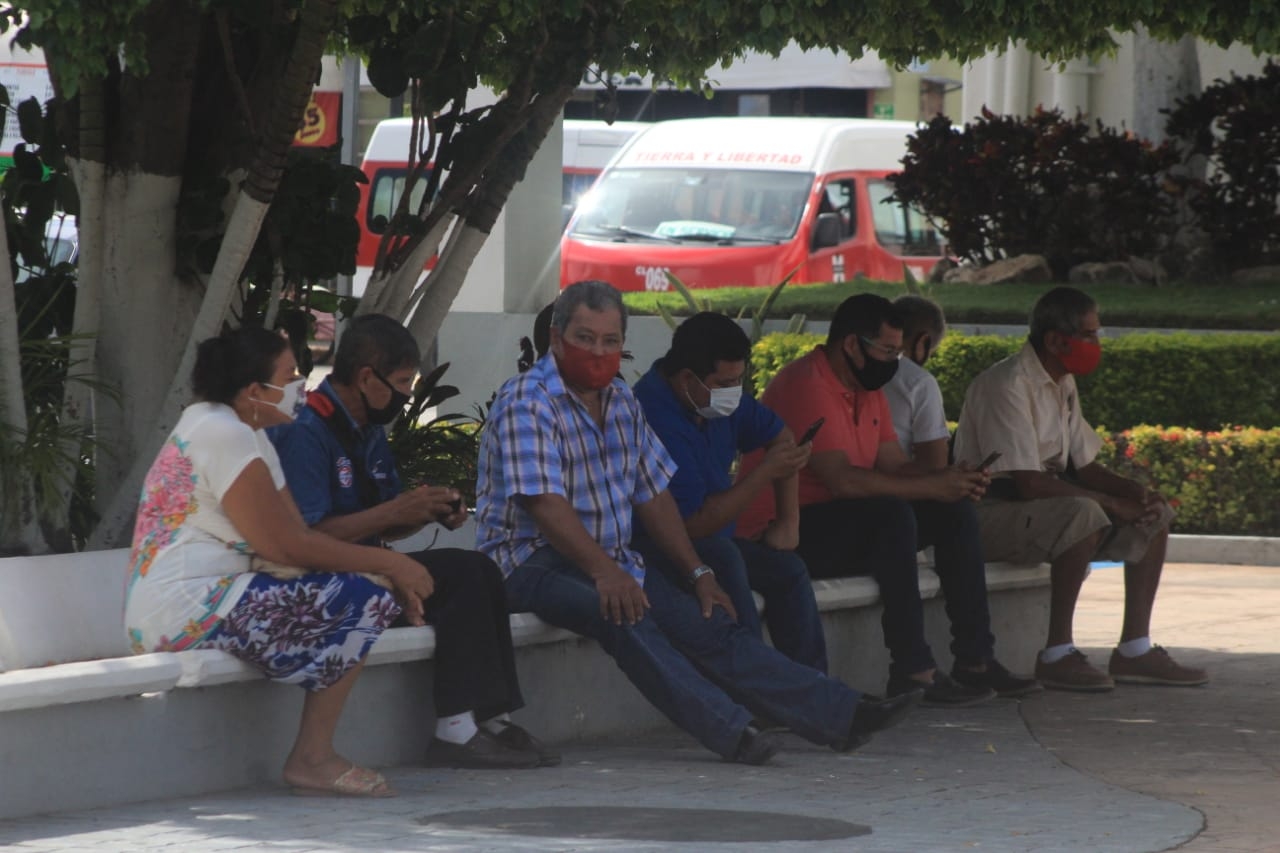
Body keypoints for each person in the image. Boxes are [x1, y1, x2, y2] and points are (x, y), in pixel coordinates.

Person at [476, 280, 916, 765]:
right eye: (584, 338)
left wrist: (696, 573)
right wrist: (606, 572)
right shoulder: (528, 400)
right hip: (529, 560)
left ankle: (843, 716)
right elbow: (545, 505)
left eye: (609, 340)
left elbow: (654, 495)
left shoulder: (619, 400)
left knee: (711, 622)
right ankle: (734, 732)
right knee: (625, 616)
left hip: (608, 559)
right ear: (557, 338)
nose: (598, 351)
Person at [126, 326, 435, 797]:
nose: (302, 386)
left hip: (207, 600)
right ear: (255, 391)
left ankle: (314, 754)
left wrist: (380, 568)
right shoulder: (223, 433)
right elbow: (286, 548)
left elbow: (298, 538)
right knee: (364, 598)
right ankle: (312, 758)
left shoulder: (242, 431)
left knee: (365, 584)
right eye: (290, 375)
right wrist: (392, 566)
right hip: (189, 608)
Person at [269, 314, 555, 769]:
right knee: (461, 578)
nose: (408, 394)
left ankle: (492, 719)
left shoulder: (368, 432)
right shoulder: (308, 433)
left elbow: (380, 525)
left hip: (370, 569)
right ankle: (455, 732)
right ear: (367, 378)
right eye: (402, 382)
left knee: (477, 568)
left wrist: (423, 512)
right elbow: (305, 537)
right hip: (324, 585)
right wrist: (394, 513)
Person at [738, 293, 1039, 706]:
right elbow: (842, 481)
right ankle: (913, 668)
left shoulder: (866, 387)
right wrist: (932, 487)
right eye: (887, 351)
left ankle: (976, 659)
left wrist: (952, 480)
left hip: (843, 522)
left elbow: (895, 465)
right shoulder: (808, 384)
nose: (894, 363)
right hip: (782, 530)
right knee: (892, 517)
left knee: (952, 512)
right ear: (851, 344)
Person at [953, 286, 1209, 692]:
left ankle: (1135, 649)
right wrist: (1110, 504)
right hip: (985, 513)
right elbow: (1026, 482)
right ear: (1056, 340)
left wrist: (1135, 493)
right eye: (1089, 335)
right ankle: (1057, 654)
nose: (1095, 343)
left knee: (1153, 516)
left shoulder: (1062, 383)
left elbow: (1083, 465)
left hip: (1037, 507)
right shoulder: (1006, 384)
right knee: (1083, 513)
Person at [634, 312, 827, 672]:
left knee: (788, 570)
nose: (734, 391)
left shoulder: (716, 397)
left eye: (739, 380)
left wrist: (788, 522)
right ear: (688, 379)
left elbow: (781, 438)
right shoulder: (652, 414)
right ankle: (757, 687)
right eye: (726, 382)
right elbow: (692, 525)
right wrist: (765, 473)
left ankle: (816, 689)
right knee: (723, 555)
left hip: (717, 539)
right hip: (660, 548)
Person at [882, 295, 952, 470]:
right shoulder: (919, 382)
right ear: (923, 342)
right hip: (899, 488)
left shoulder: (859, 367)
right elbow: (935, 465)